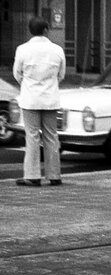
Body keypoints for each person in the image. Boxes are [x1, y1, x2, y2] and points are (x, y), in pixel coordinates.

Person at [12, 17, 67, 187]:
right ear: (46, 30)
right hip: (51, 99)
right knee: (51, 136)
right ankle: (54, 175)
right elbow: (61, 75)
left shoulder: (22, 49)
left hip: (30, 99)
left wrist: (28, 84)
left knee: (32, 136)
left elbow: (17, 73)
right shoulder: (57, 50)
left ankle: (33, 176)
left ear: (30, 31)